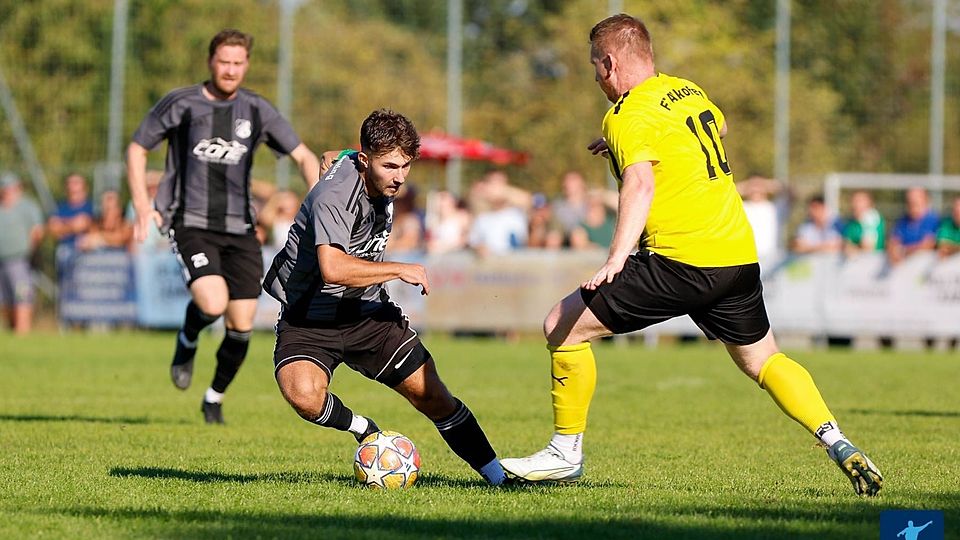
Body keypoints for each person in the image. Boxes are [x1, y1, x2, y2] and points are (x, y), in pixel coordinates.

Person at [500, 14, 882, 497]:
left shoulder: (625, 114)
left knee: (562, 325)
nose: (597, 77)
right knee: (764, 359)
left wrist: (617, 257)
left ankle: (565, 451)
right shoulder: (687, 90)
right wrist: (629, 145)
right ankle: (838, 441)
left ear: (611, 64)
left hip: (680, 259)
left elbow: (640, 182)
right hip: (737, 257)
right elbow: (715, 130)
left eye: (595, 66)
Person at [262, 109, 507, 486]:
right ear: (366, 160)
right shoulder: (334, 195)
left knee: (433, 397)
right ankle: (365, 429)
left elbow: (340, 156)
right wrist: (398, 268)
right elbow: (333, 268)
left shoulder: (363, 166)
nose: (399, 176)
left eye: (406, 166)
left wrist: (339, 154)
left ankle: (499, 479)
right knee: (304, 396)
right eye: (390, 166)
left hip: (366, 313)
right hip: (309, 316)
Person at [126, 29, 321, 424]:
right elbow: (136, 148)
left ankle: (213, 397)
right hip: (190, 222)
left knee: (242, 324)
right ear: (210, 62)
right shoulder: (182, 103)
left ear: (246, 65)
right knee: (212, 303)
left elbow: (301, 154)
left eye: (238, 63)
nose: (230, 70)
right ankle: (188, 337)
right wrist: (143, 204)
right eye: (223, 62)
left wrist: (320, 199)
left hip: (241, 229)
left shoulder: (256, 109)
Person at [0, 172, 44, 334]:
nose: (6, 190)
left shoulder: (27, 206)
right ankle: (12, 329)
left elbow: (37, 231)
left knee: (22, 296)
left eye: (10, 187)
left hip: (20, 261)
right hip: (2, 262)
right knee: (6, 300)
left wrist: (31, 251)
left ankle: (22, 331)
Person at [47, 173, 94, 261]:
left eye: (76, 183)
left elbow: (84, 224)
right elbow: (53, 229)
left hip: (86, 252)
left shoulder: (91, 207)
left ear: (85, 187)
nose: (71, 186)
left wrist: (63, 224)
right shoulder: (60, 207)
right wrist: (73, 224)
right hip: (64, 250)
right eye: (69, 183)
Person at [887, 187, 939, 265]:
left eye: (915, 201)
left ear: (925, 200)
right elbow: (893, 241)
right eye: (909, 201)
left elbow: (928, 244)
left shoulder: (933, 220)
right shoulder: (903, 220)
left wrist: (903, 251)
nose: (912, 204)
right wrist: (893, 251)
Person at [842, 190, 885, 255]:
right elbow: (844, 243)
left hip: (872, 262)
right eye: (854, 200)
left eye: (859, 201)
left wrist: (852, 248)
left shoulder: (872, 217)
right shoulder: (852, 222)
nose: (855, 204)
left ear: (869, 203)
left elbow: (868, 248)